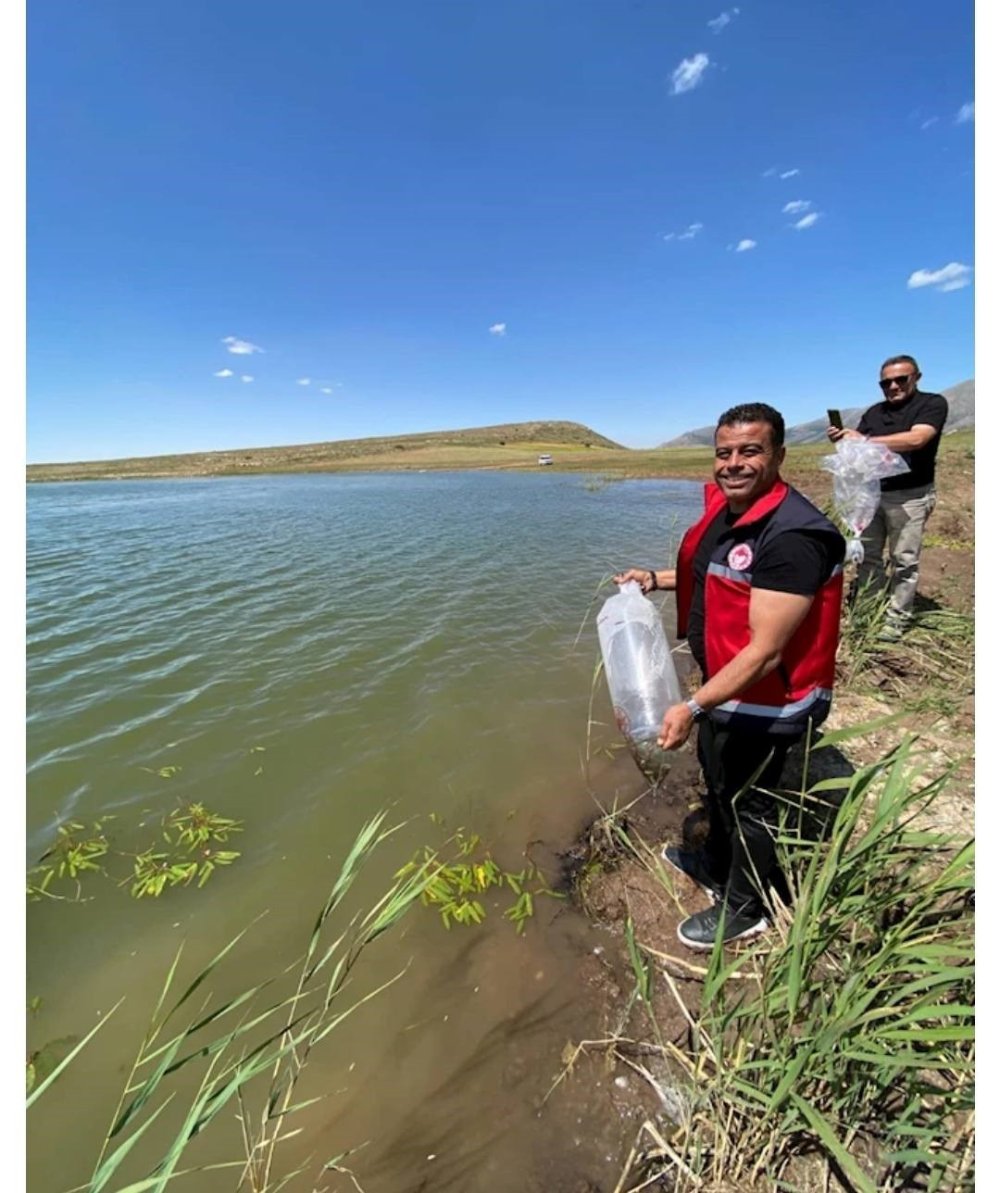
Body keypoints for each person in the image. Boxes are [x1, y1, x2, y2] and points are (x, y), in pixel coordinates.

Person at [614, 403, 845, 950]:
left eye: (751, 451)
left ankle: (748, 908)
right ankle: (717, 863)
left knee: (752, 804)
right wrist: (654, 578)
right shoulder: (735, 510)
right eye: (725, 453)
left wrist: (691, 707)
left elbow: (765, 653)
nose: (734, 464)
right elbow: (719, 569)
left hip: (770, 699)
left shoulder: (792, 537)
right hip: (728, 687)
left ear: (780, 456)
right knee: (719, 781)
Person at [826, 355, 948, 641]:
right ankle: (869, 611)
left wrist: (863, 441)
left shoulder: (932, 404)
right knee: (868, 556)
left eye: (900, 379)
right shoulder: (874, 413)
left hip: (911, 497)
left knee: (904, 559)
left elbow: (917, 439)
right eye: (886, 382)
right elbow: (860, 448)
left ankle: (895, 620)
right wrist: (845, 439)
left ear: (916, 377)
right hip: (873, 495)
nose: (893, 386)